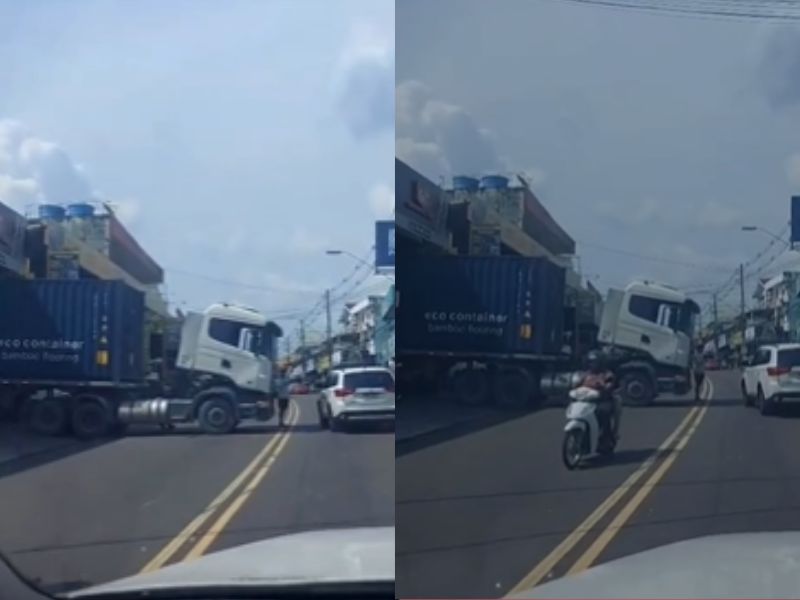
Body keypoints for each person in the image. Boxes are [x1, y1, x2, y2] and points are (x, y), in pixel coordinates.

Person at [578, 350, 618, 445]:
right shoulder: (585, 374)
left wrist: (605, 386)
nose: (592, 365)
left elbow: (610, 383)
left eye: (594, 362)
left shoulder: (606, 374)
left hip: (603, 400)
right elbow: (577, 383)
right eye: (591, 362)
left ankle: (605, 437)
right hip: (587, 400)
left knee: (602, 412)